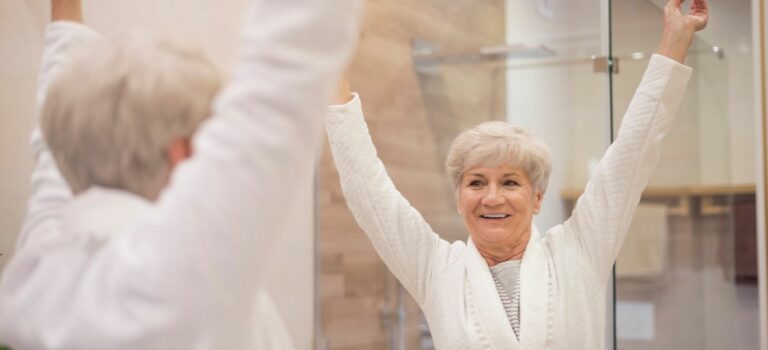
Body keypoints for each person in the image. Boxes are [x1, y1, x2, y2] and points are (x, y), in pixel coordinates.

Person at [325, 0, 708, 348]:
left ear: (537, 197)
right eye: (476, 182)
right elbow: (366, 187)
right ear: (459, 199)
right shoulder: (438, 271)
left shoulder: (578, 254)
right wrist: (329, 65)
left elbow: (632, 154)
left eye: (510, 182)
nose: (492, 197)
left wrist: (675, 42)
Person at [0, 0, 362, 348]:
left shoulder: (36, 271)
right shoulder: (179, 278)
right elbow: (288, 65)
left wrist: (65, 9)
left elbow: (52, 154)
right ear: (183, 153)